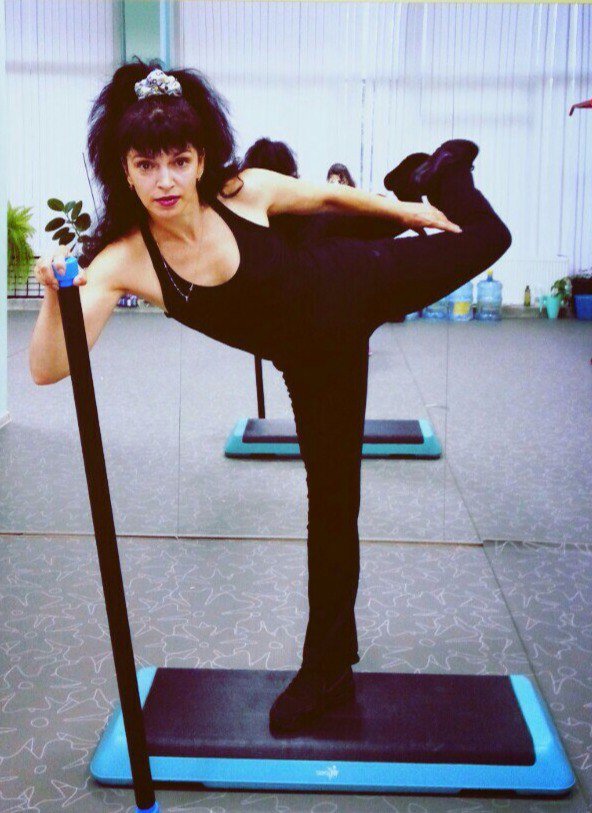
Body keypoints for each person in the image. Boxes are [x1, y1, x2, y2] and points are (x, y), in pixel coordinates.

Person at [30, 59, 512, 735]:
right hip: (316, 364)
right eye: (147, 165)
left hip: (358, 279)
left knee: (490, 237)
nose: (166, 180)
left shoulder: (242, 189)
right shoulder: (124, 260)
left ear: (200, 159)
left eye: (179, 160)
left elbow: (329, 200)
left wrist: (406, 207)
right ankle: (328, 668)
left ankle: (445, 173)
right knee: (334, 508)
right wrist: (53, 296)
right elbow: (49, 368)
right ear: (125, 171)